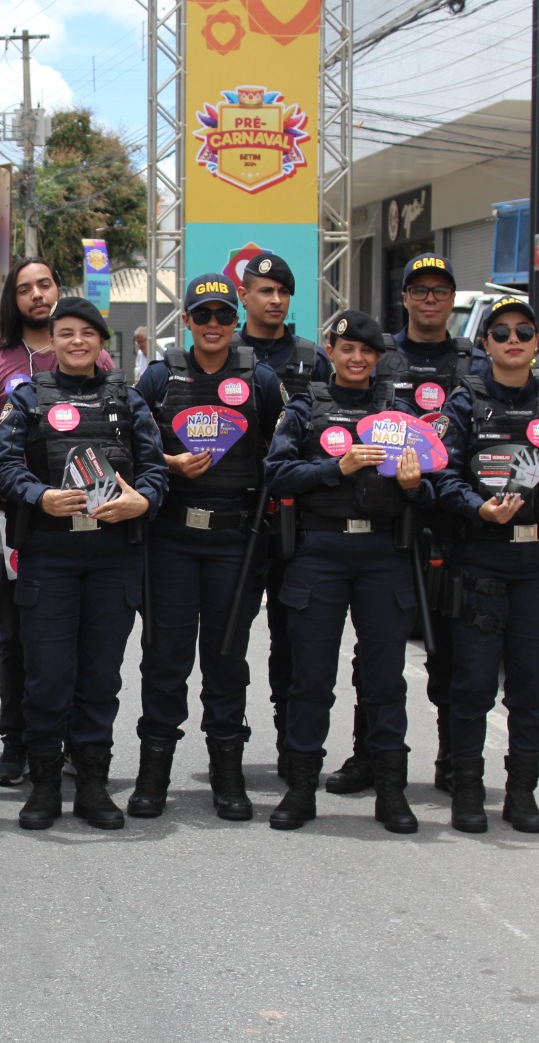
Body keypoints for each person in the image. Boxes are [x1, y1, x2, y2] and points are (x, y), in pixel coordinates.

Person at [0, 297, 170, 831]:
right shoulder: (27, 399)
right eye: (64, 334)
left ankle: (92, 784)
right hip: (51, 556)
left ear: (101, 342)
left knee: (99, 677)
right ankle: (44, 785)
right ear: (53, 342)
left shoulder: (129, 401)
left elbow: (155, 470)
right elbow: (1, 466)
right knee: (48, 676)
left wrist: (144, 500)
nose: (76, 342)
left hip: (113, 558)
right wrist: (39, 495)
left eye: (87, 334)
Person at [432, 297, 539, 834]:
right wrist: (477, 507)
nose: (513, 340)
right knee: (472, 684)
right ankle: (468, 792)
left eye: (523, 330)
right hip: (480, 555)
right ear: (486, 344)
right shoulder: (465, 403)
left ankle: (521, 793)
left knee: (529, 686)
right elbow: (443, 476)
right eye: (501, 333)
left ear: (534, 340)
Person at [263, 310, 426, 834]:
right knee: (310, 676)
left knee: (384, 679)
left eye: (368, 350)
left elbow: (434, 486)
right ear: (330, 351)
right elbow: (277, 474)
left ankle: (391, 792)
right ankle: (301, 787)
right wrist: (340, 466)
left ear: (379, 358)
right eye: (347, 348)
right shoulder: (305, 407)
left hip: (383, 552)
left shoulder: (398, 414)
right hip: (321, 551)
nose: (357, 358)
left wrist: (411, 484)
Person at [129, 274, 283, 821]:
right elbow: (127, 445)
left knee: (225, 660)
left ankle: (227, 776)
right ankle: (153, 774)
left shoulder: (260, 379)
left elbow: (278, 453)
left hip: (233, 539)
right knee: (165, 658)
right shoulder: (158, 377)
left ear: (234, 321)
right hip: (171, 535)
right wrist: (167, 462)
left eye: (222, 315)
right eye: (203, 316)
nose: (213, 325)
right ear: (187, 322)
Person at [326, 252, 477, 797]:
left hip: (456, 524)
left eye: (440, 290)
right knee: (379, 653)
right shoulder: (379, 358)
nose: (430, 298)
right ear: (406, 298)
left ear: (452, 300)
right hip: (391, 525)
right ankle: (371, 754)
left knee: (456, 650)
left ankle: (456, 759)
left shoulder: (473, 363)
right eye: (420, 290)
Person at [0, 258, 117, 786]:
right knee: (17, 634)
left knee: (78, 640)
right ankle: (17, 742)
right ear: (13, 299)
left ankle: (76, 743)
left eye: (45, 285)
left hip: (85, 520)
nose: (36, 294)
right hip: (16, 517)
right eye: (24, 288)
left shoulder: (98, 358)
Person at [234, 252, 332, 770]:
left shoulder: (312, 358)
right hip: (238, 514)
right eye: (264, 291)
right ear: (244, 295)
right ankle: (227, 744)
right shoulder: (222, 350)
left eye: (282, 292)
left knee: (293, 638)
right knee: (230, 634)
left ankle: (291, 744)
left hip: (299, 517)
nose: (274, 300)